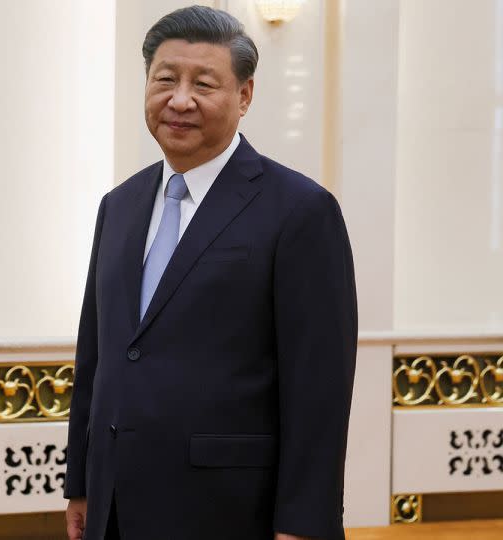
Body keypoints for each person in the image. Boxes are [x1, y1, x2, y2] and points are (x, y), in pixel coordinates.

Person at [63, 6, 357, 540]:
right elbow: (98, 356)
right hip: (115, 504)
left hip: (230, 509)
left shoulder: (299, 210)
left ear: (245, 96)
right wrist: (81, 479)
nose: (180, 100)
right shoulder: (119, 205)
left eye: (204, 83)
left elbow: (319, 389)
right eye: (165, 79)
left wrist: (304, 524)